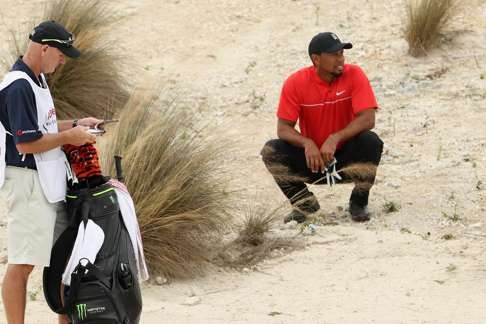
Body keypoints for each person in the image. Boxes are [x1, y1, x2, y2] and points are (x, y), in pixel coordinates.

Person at [0, 20, 101, 324]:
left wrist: (76, 124)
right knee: (23, 264)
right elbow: (27, 143)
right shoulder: (18, 86)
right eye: (60, 54)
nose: (63, 60)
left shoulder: (36, 81)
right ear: (44, 48)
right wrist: (69, 138)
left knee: (61, 261)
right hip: (29, 182)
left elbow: (41, 128)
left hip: (46, 183)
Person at [261, 32, 383, 224]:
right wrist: (306, 143)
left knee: (371, 141)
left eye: (341, 53)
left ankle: (359, 202)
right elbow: (283, 128)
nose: (340, 59)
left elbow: (368, 118)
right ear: (316, 59)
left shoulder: (355, 74)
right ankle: (304, 202)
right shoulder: (295, 83)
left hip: (346, 161)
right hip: (313, 162)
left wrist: (335, 138)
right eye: (334, 55)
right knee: (271, 150)